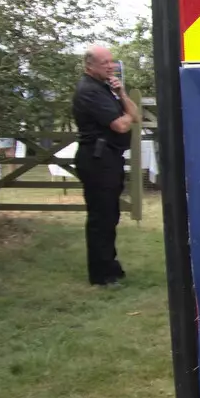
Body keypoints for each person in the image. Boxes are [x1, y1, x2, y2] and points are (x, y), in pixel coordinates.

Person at [72, 45, 140, 287]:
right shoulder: (88, 90)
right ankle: (102, 275)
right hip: (96, 159)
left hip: (109, 158)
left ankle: (110, 267)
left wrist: (122, 94)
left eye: (112, 62)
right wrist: (127, 118)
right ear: (89, 66)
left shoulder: (106, 88)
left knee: (110, 215)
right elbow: (121, 126)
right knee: (101, 218)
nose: (111, 66)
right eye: (105, 63)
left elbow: (135, 114)